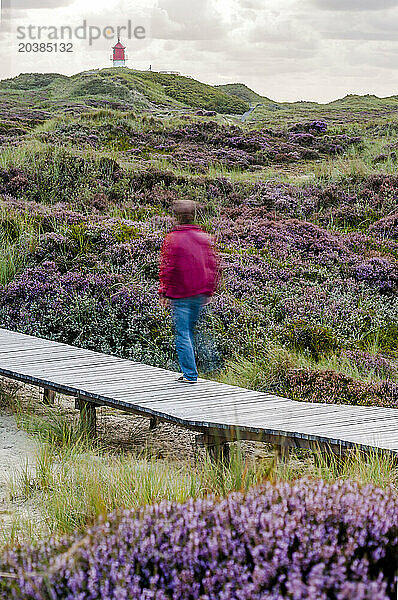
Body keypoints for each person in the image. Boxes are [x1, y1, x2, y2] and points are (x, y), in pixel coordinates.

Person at [159, 199, 219, 383]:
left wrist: (164, 292)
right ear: (193, 215)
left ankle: (190, 375)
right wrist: (209, 290)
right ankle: (211, 367)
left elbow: (168, 268)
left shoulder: (173, 239)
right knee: (192, 331)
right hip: (199, 294)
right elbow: (213, 265)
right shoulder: (203, 238)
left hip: (181, 294)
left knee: (183, 333)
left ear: (176, 217)